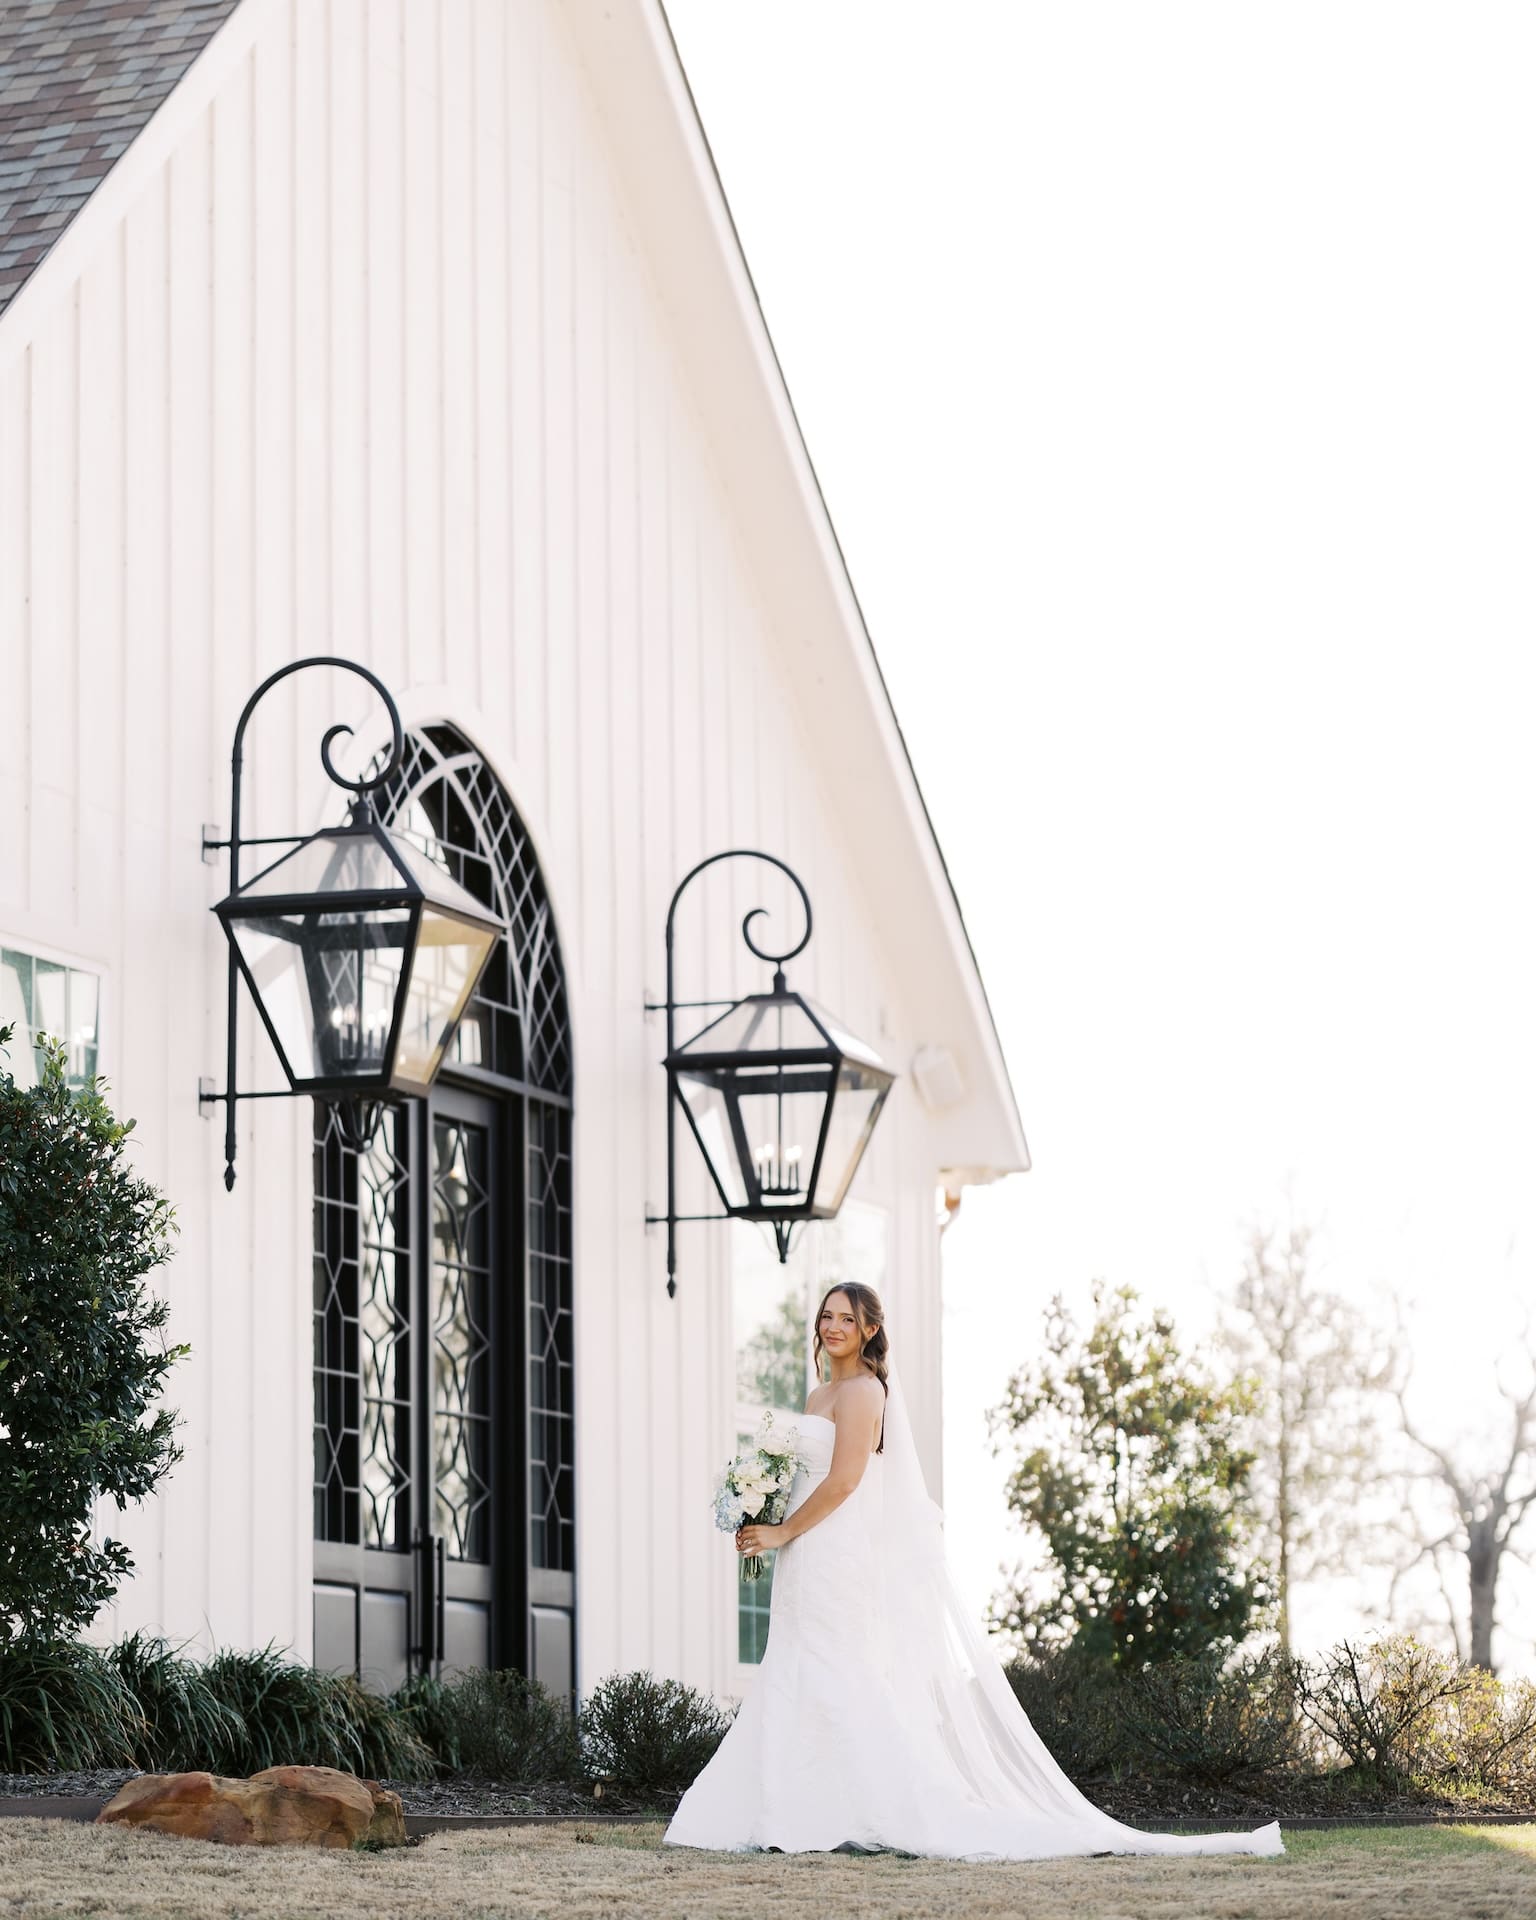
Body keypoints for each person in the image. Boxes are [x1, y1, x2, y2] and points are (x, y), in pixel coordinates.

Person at [662, 1280, 1284, 1862]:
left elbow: (847, 1479)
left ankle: (869, 1806)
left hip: (834, 1549)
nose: (831, 1326)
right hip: (803, 1554)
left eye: (846, 1318)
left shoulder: (864, 1393)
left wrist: (782, 1530)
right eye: (826, 1316)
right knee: (794, 1661)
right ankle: (791, 1810)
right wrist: (762, 1505)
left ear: (871, 1330)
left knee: (838, 1667)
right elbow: (802, 1472)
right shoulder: (818, 1394)